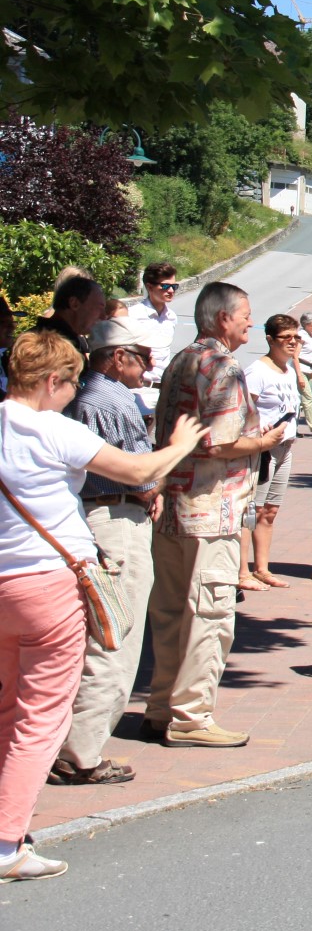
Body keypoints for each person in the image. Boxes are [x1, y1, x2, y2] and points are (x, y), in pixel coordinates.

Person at [0, 330, 204, 881]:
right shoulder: (53, 429)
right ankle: (6, 843)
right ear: (51, 382)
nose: (74, 394)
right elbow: (138, 471)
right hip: (48, 584)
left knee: (8, 706)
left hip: (3, 581)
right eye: (69, 384)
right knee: (41, 717)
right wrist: (181, 441)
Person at [146, 281, 286, 749]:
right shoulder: (223, 365)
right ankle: (191, 718)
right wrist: (263, 442)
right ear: (223, 318)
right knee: (209, 616)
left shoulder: (181, 359)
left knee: (169, 612)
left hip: (173, 510)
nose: (251, 320)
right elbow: (220, 442)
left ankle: (161, 706)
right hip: (212, 510)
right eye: (245, 313)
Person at [50, 319, 164, 788]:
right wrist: (154, 482)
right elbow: (136, 473)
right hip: (115, 518)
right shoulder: (107, 398)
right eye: (140, 354)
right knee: (116, 634)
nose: (147, 364)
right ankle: (81, 752)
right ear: (117, 356)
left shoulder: (86, 396)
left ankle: (73, 743)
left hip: (102, 514)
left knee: (101, 633)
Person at [237, 315, 301, 592]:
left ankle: (261, 568)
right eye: (286, 337)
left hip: (285, 446)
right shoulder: (257, 371)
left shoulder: (287, 370)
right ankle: (241, 571)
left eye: (296, 337)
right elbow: (243, 409)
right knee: (252, 510)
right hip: (263, 448)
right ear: (271, 340)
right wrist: (256, 428)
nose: (293, 342)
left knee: (270, 511)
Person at [126, 262, 180, 385]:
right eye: (165, 286)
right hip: (140, 385)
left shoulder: (171, 317)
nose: (171, 290)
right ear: (150, 287)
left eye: (174, 286)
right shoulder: (133, 315)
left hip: (164, 385)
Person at [30, 275, 104, 359]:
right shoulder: (43, 345)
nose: (103, 316)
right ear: (74, 304)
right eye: (99, 308)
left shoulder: (72, 341)